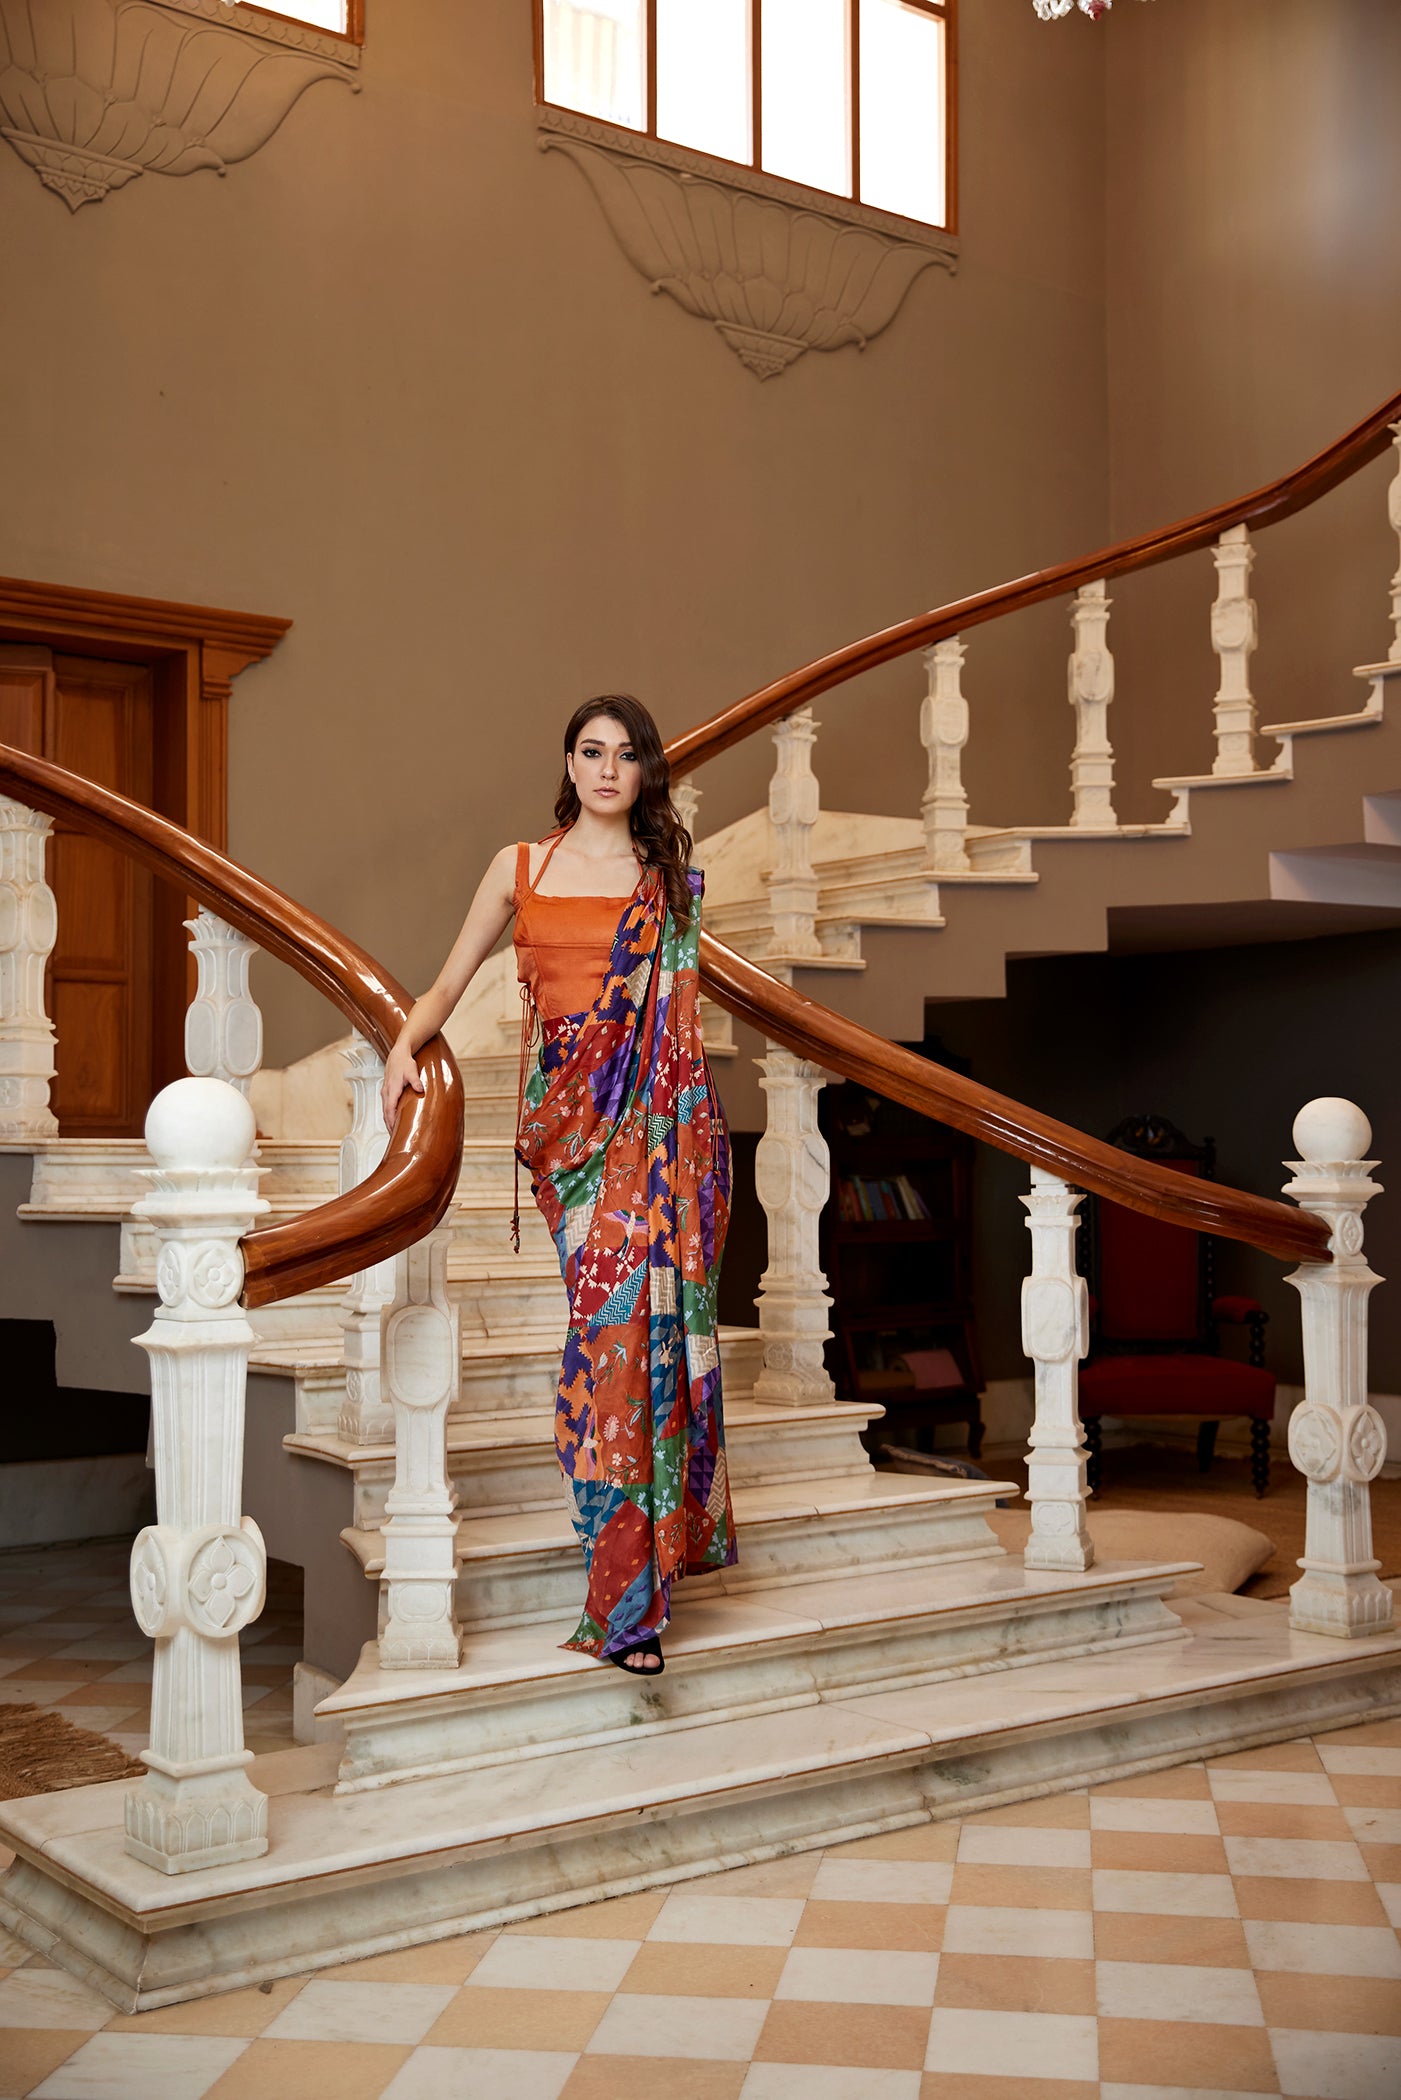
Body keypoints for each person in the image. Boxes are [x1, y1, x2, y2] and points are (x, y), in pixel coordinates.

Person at [381, 695, 736, 1675]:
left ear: (646, 771)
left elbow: (679, 1037)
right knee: (605, 1340)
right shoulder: (520, 866)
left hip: (653, 1143)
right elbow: (451, 980)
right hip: (570, 1139)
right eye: (591, 751)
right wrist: (403, 1046)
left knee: (627, 1348)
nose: (608, 769)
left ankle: (630, 1603)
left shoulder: (667, 880)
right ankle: (631, 1569)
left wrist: (682, 1150)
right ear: (569, 764)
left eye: (626, 754)